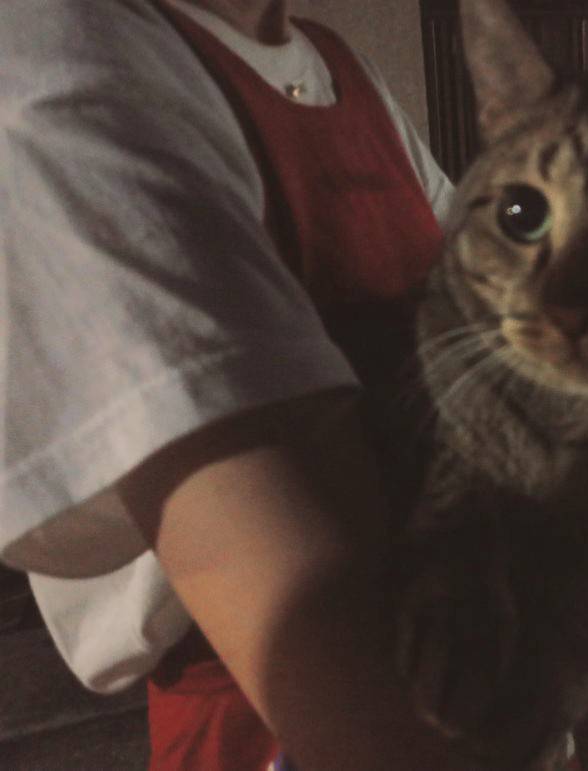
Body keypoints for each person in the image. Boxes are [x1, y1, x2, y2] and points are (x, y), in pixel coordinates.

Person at [0, 0, 521, 768]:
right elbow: (365, 692)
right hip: (287, 722)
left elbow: (491, 313)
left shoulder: (338, 69)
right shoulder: (58, 59)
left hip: (492, 654)